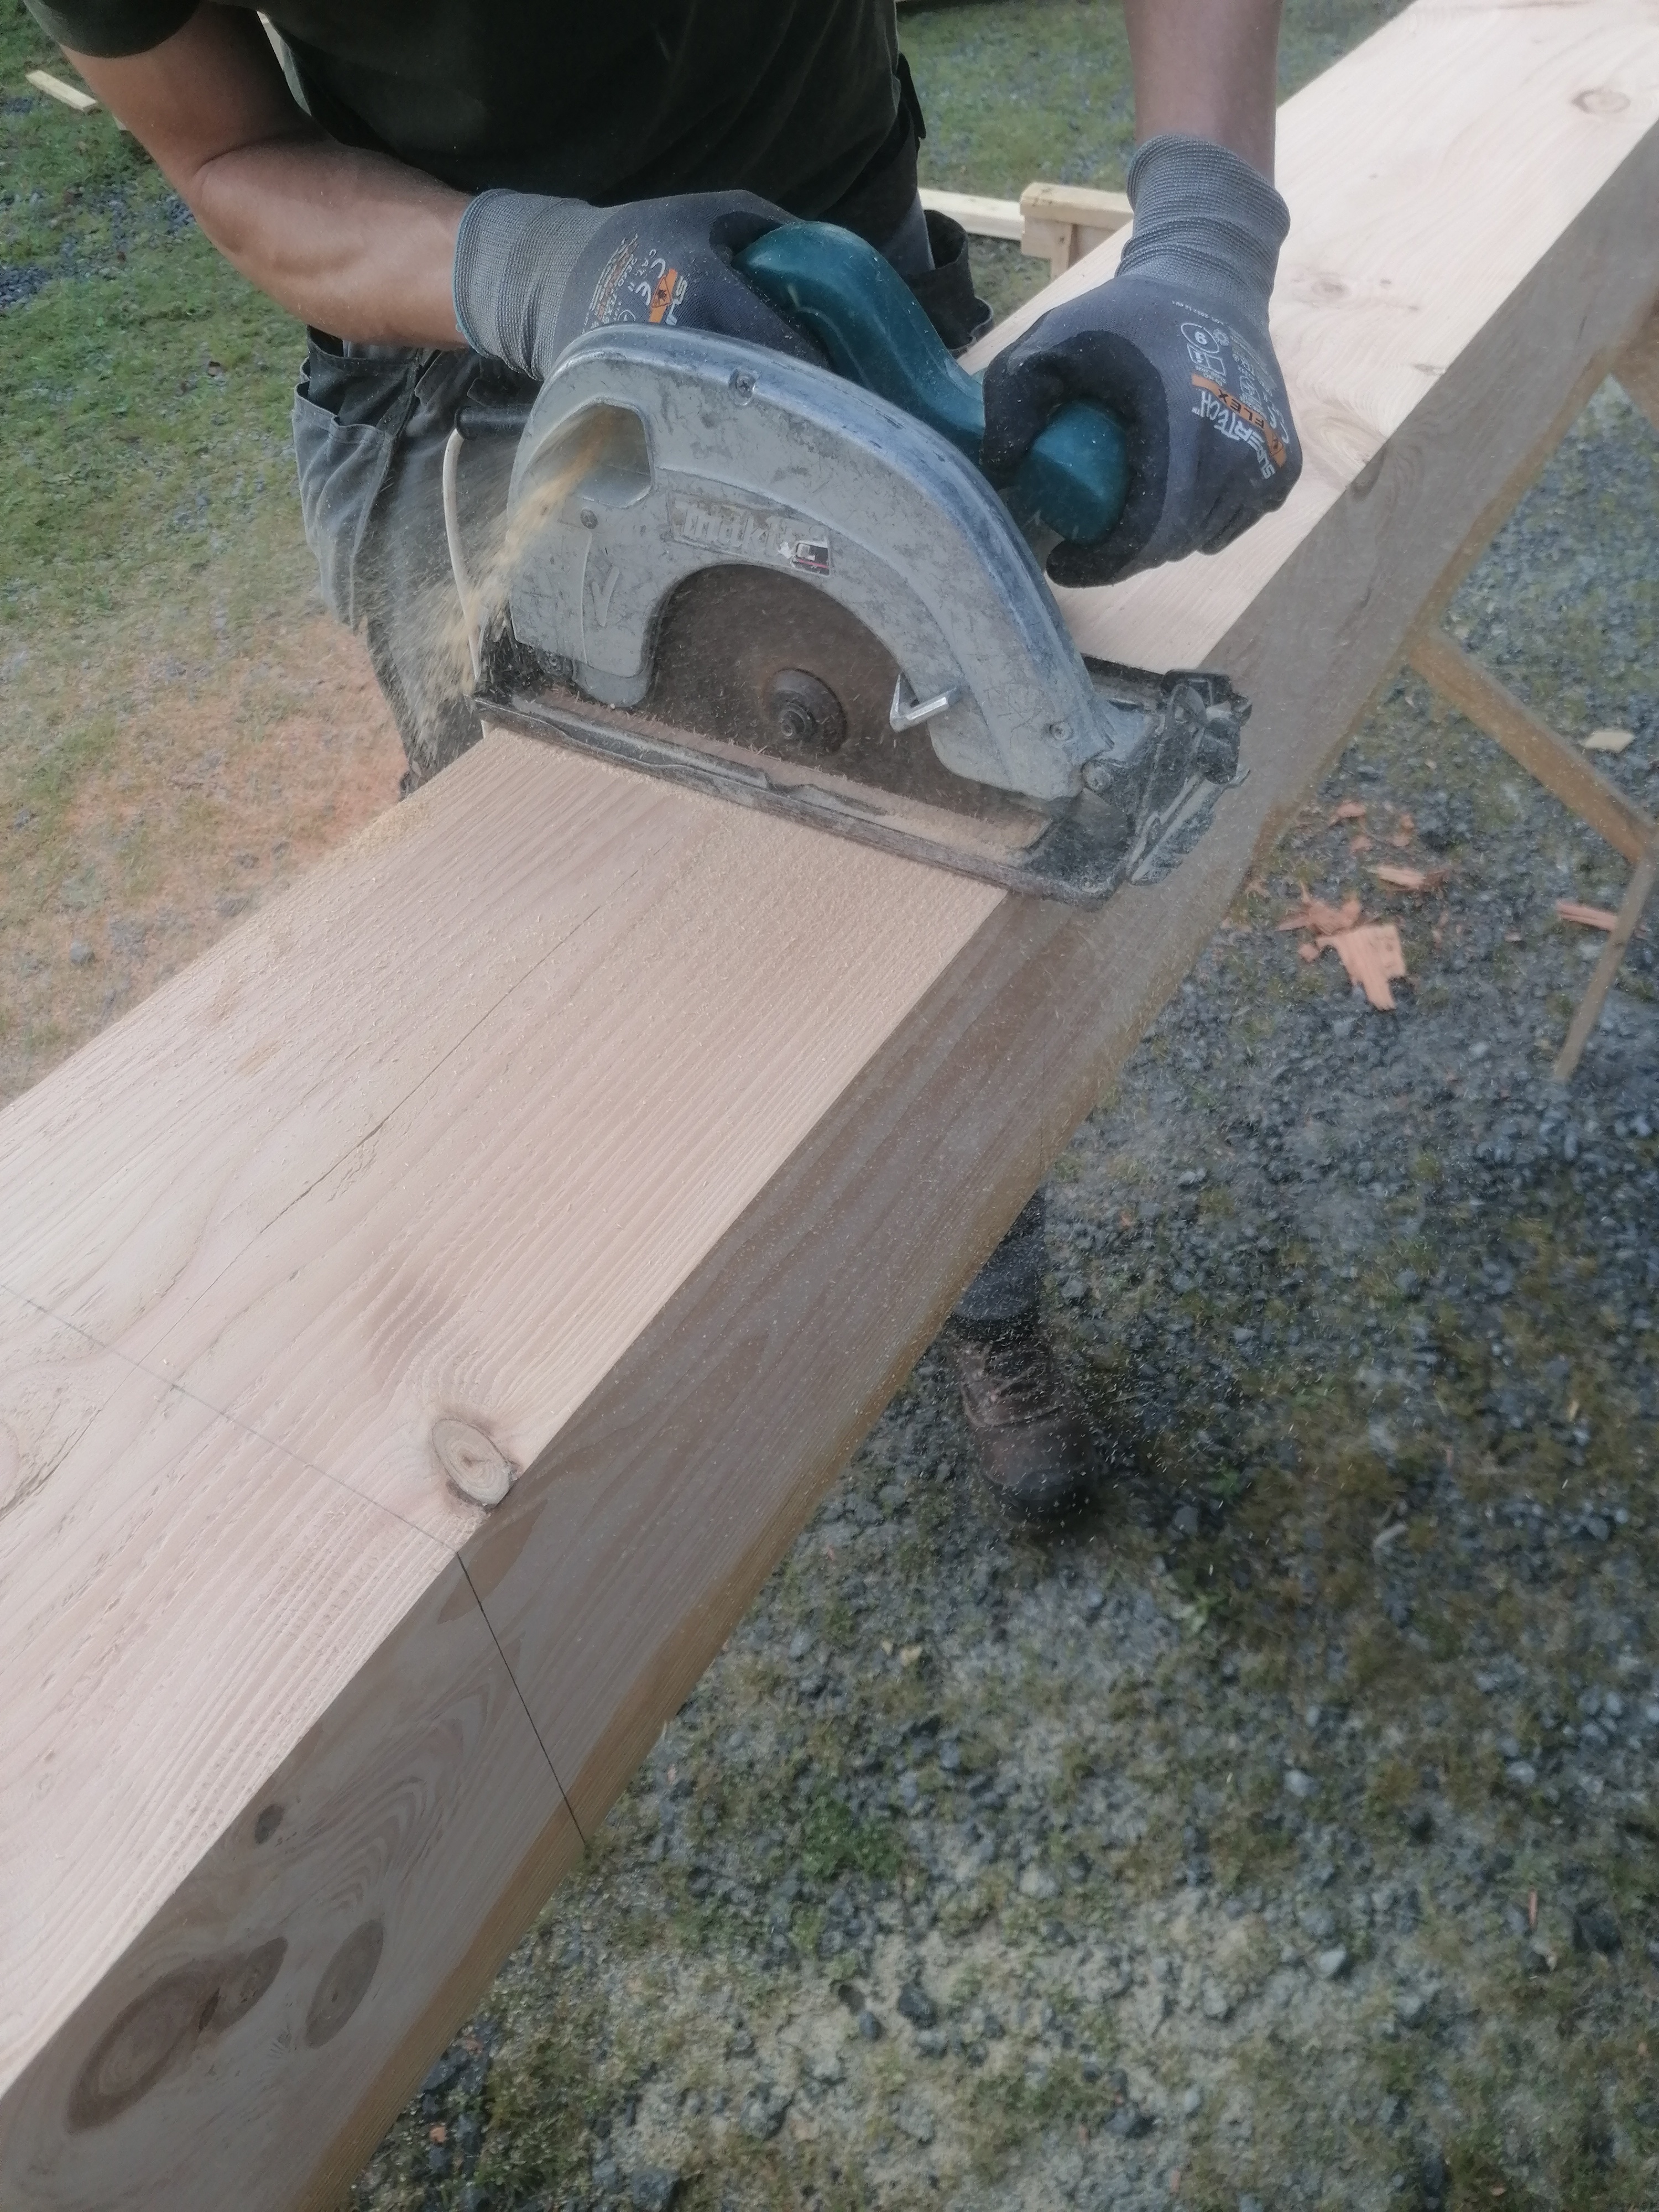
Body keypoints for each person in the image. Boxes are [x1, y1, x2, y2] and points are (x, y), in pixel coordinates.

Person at [32, 0, 1300, 1521]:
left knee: (960, 856)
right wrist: (543, 270)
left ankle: (986, 1295)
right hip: (468, 358)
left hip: (839, 287)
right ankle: (573, 1374)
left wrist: (1208, 233)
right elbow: (228, 155)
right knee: (575, 949)